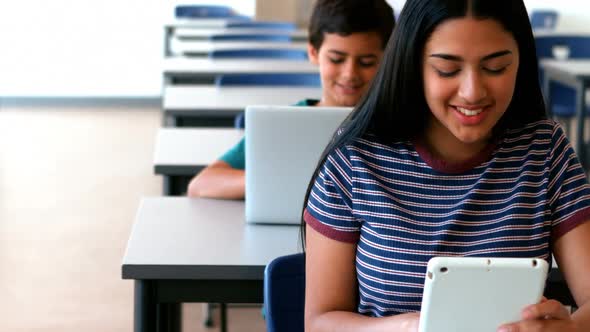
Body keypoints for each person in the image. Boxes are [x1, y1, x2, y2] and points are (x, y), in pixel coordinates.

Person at [302, 0, 590, 331]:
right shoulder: (355, 159)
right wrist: (414, 327)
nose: (472, 92)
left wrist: (571, 328)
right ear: (412, 64)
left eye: (496, 68)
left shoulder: (545, 151)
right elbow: (319, 321)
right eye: (447, 70)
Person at [187, 0, 396, 199]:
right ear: (313, 53)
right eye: (336, 59)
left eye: (366, 62)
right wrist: (280, 181)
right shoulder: (285, 123)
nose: (350, 74)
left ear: (387, 59)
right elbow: (201, 185)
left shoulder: (398, 124)